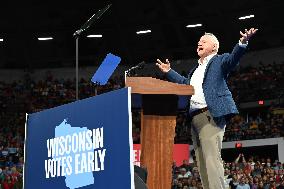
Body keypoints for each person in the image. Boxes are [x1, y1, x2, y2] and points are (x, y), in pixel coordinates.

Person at [156, 28, 258, 189]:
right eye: (199, 41)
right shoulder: (195, 70)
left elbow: (233, 59)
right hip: (194, 118)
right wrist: (169, 72)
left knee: (211, 159)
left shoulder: (219, 60)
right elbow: (185, 84)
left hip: (210, 114)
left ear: (214, 47)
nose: (199, 43)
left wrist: (242, 42)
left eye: (203, 41)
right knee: (202, 162)